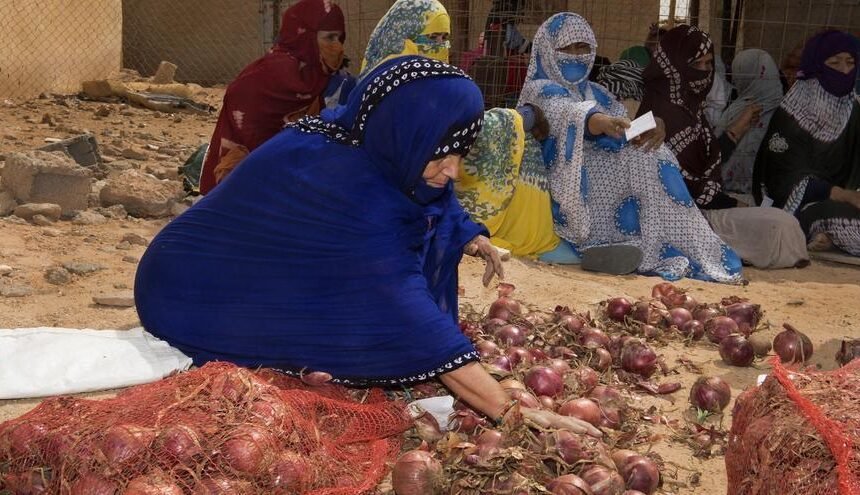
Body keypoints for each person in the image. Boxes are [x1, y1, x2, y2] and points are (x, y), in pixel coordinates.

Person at [134, 56, 600, 436]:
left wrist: (469, 236)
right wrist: (508, 410)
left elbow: (431, 198)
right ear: (404, 132)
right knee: (368, 327)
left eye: (462, 153)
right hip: (190, 294)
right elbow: (404, 310)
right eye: (442, 152)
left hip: (251, 274)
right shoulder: (349, 190)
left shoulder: (368, 135)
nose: (454, 170)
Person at [517, 13, 743, 282]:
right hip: (560, 182)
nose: (576, 56)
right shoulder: (539, 88)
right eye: (567, 48)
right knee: (639, 160)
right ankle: (601, 242)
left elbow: (623, 127)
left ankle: (664, 244)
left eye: (583, 47)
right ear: (547, 50)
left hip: (600, 172)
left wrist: (653, 124)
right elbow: (564, 112)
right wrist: (599, 121)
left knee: (653, 153)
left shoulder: (595, 91)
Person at [356, 0, 568, 263]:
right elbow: (456, 132)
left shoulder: (435, 82)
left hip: (436, 187)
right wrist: (521, 117)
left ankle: (527, 237)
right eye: (432, 38)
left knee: (518, 143)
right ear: (401, 38)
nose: (441, 47)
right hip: (394, 197)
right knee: (514, 136)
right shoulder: (388, 88)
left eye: (445, 39)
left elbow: (459, 132)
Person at [640, 25, 809, 269]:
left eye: (708, 65)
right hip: (679, 218)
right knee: (779, 226)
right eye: (696, 64)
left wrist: (734, 133)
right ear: (674, 64)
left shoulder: (690, 108)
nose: (704, 73)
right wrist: (731, 203)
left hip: (704, 207)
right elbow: (683, 185)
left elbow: (703, 166)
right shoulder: (660, 113)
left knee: (782, 222)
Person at [198, 0, 348, 194]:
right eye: (329, 38)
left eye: (339, 39)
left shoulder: (325, 79)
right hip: (248, 174)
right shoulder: (267, 77)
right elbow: (249, 137)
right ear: (305, 36)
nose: (337, 47)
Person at [754, 30, 860, 256]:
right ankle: (823, 233)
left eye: (851, 62)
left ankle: (831, 239)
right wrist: (843, 194)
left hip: (852, 202)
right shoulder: (792, 116)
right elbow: (781, 182)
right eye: (834, 62)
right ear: (815, 66)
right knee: (829, 213)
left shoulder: (855, 110)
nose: (844, 70)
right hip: (801, 208)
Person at [715, 49, 784, 195]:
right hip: (771, 199)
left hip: (724, 193)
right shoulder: (789, 112)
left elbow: (712, 156)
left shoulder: (735, 111)